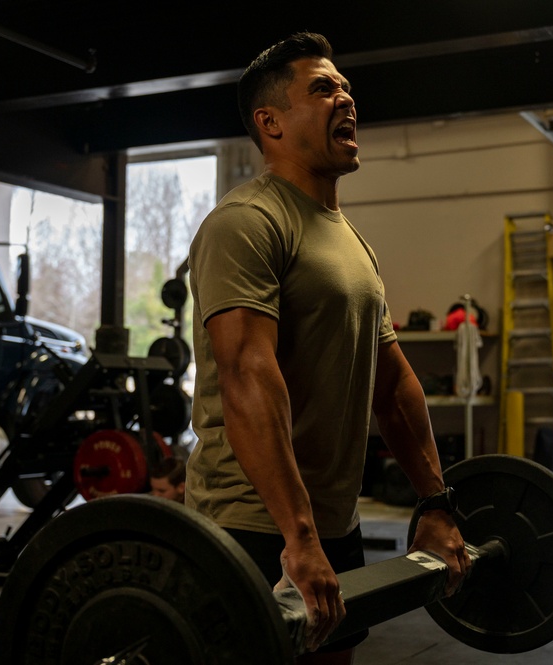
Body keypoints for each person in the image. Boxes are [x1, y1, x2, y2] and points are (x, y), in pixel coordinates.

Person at [184, 32, 468, 664]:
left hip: (331, 523)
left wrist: (436, 503)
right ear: (271, 123)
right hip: (255, 524)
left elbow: (390, 387)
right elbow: (246, 377)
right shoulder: (246, 223)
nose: (346, 98)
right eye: (323, 88)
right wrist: (298, 536)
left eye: (344, 86)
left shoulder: (353, 245)